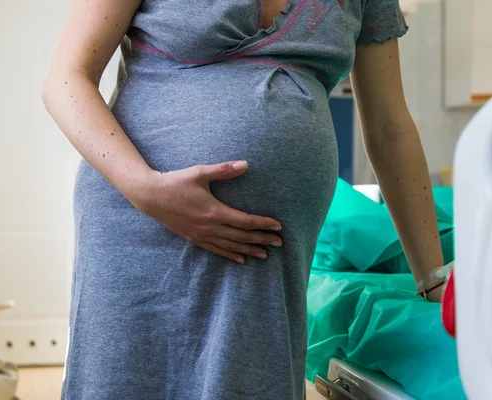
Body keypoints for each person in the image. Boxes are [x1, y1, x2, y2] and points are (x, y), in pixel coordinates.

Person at [42, 0, 445, 399]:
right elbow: (65, 79)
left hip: (265, 252)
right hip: (140, 219)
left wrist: (433, 278)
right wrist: (146, 189)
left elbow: (390, 128)